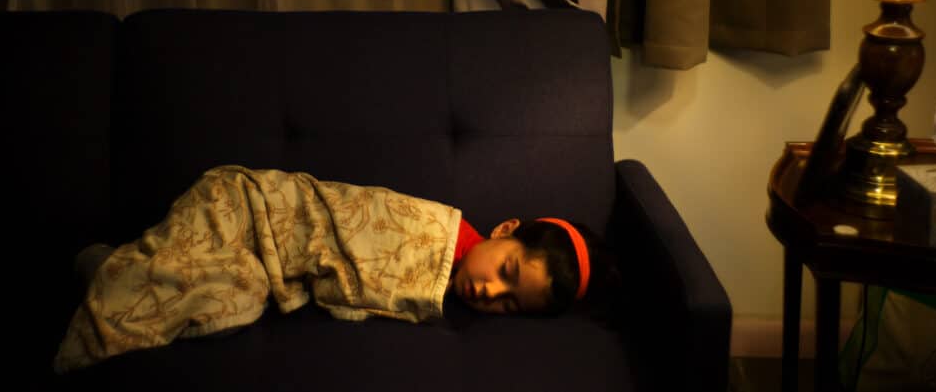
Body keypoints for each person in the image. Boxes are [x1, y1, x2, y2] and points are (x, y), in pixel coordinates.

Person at [56, 166, 619, 373]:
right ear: (503, 232)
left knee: (235, 294)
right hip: (249, 206)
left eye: (507, 304)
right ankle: (104, 269)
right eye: (508, 271)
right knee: (152, 300)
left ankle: (113, 265)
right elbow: (344, 226)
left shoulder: (445, 294)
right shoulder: (432, 229)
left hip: (263, 266)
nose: (489, 290)